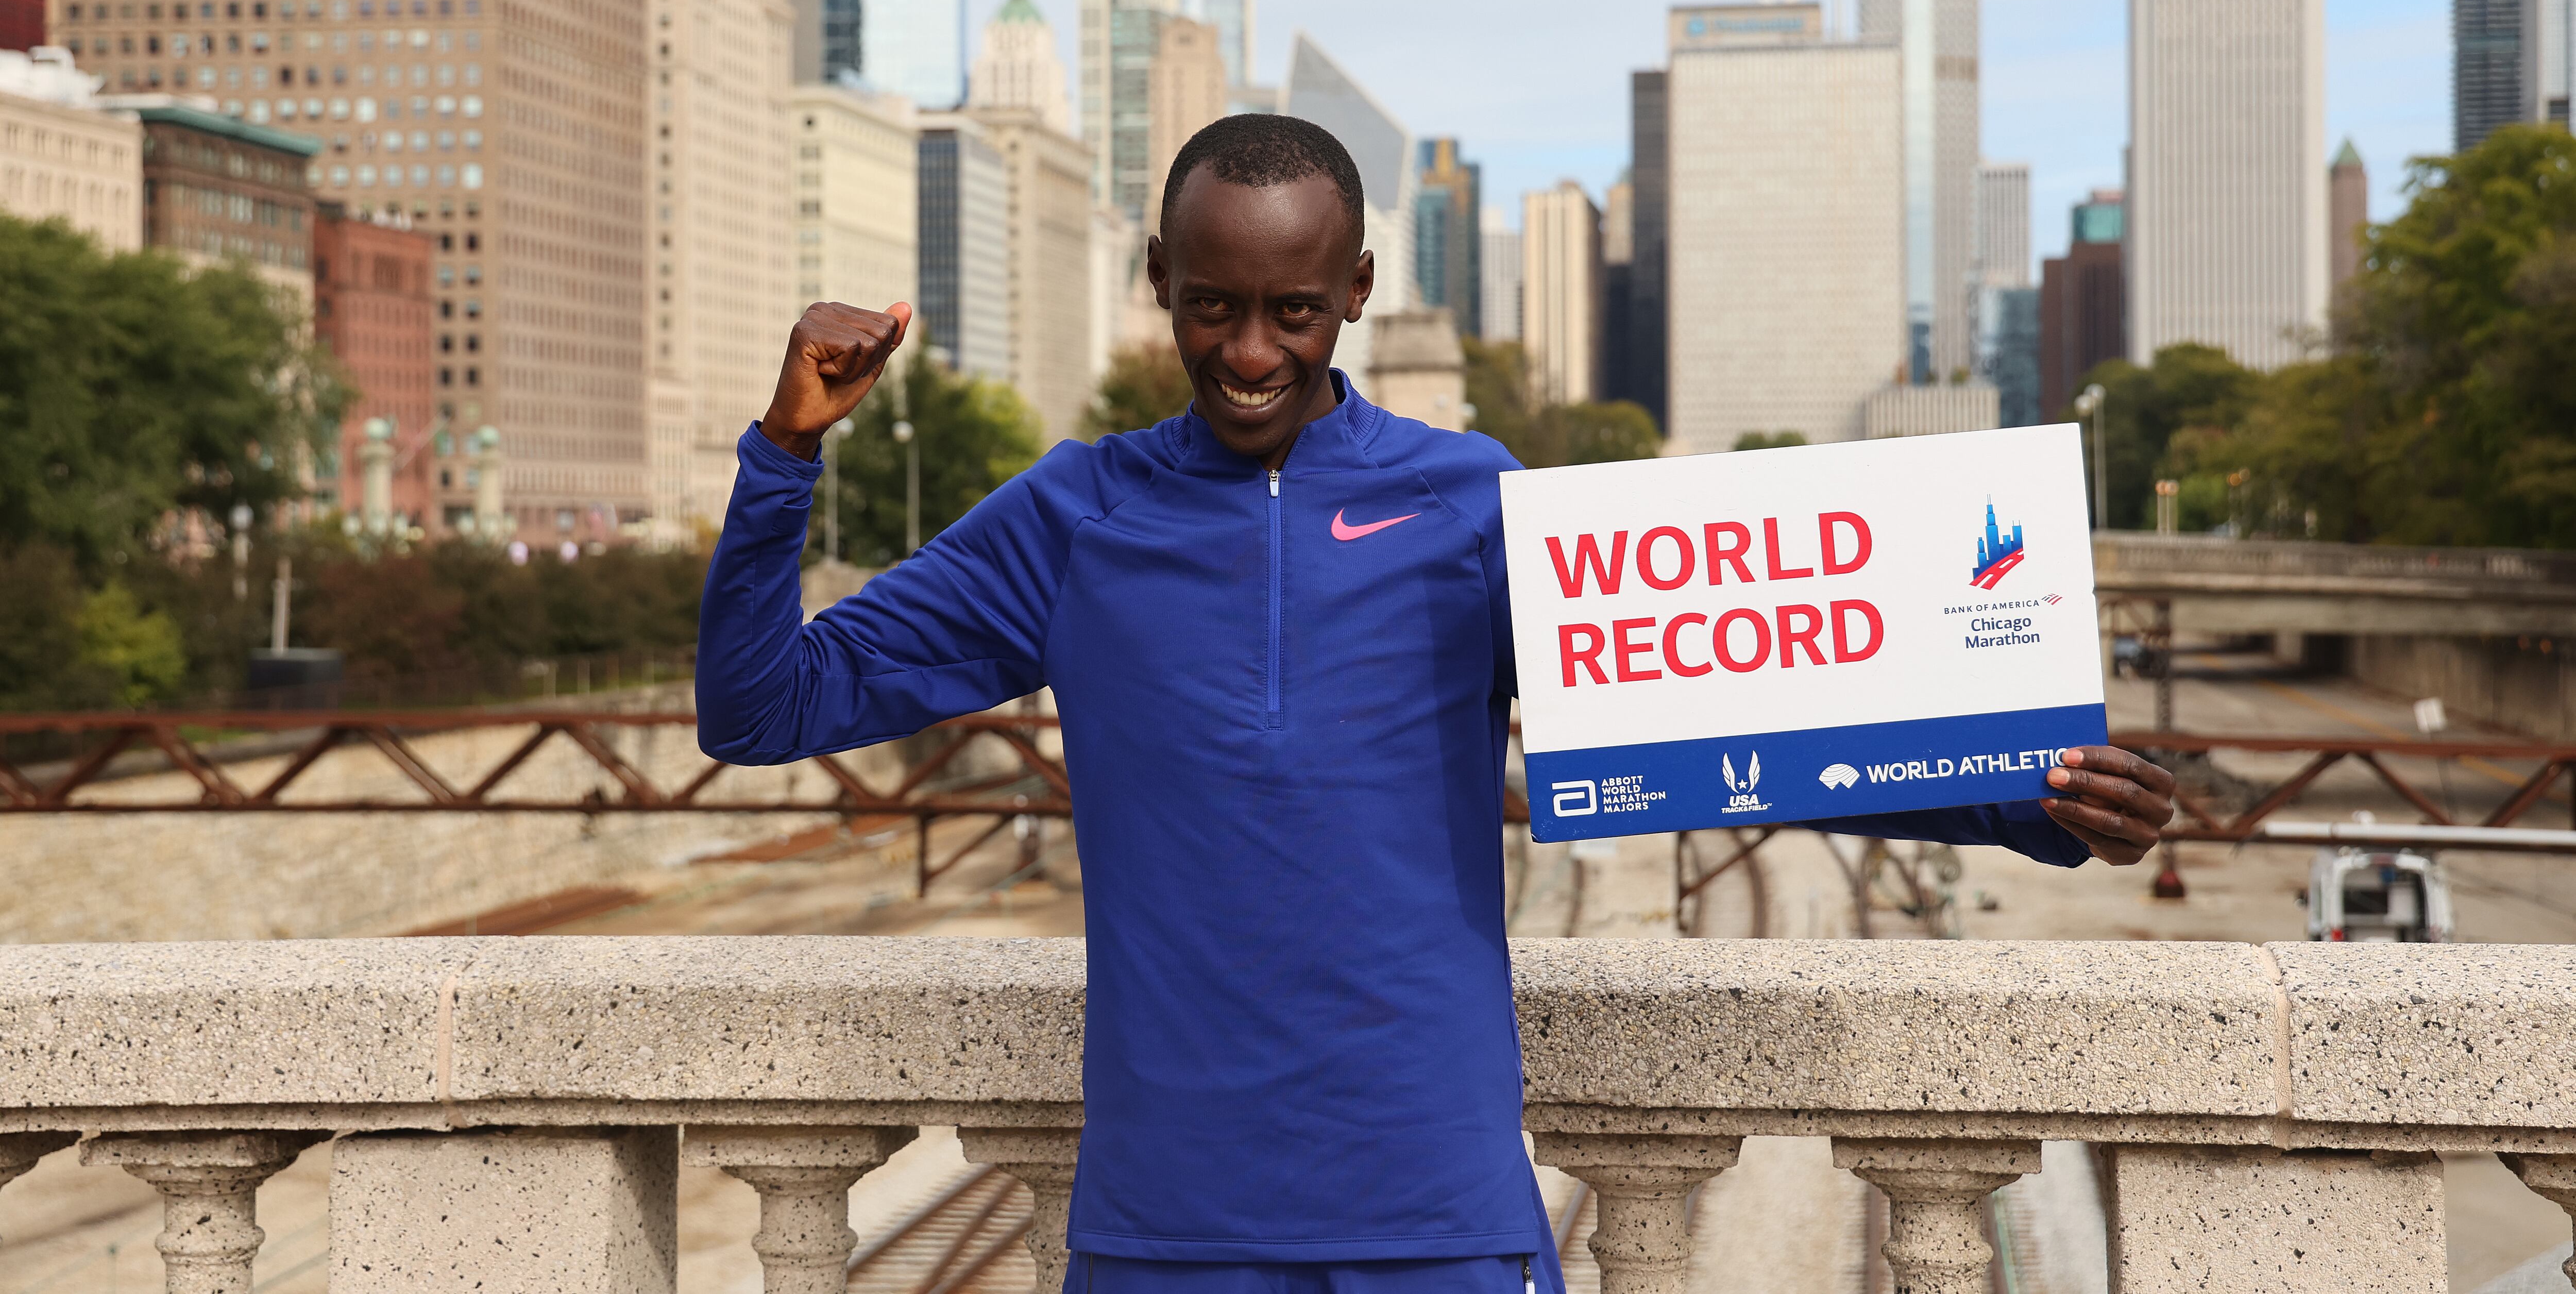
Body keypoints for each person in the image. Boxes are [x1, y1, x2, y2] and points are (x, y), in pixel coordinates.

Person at [696, 114, 2177, 1294]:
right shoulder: (1072, 517)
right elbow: (764, 706)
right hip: (1163, 1233)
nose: (1251, 352)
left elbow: (1721, 739)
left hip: (1439, 1219)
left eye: (1292, 308)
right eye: (1212, 307)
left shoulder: (1478, 505)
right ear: (1161, 282)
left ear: (1357, 292)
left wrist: (2018, 794)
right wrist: (786, 455)